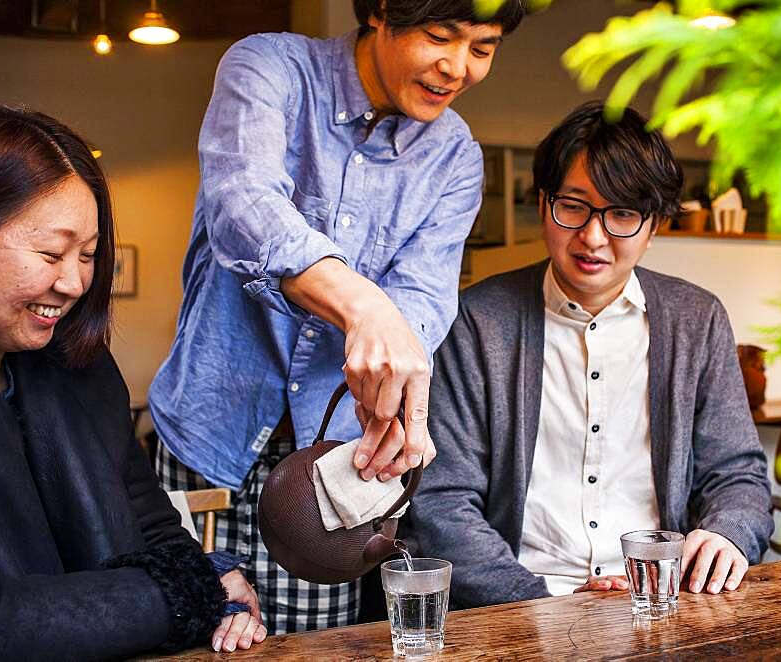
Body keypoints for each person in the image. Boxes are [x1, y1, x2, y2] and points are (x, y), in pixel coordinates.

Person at [148, 0, 527, 633]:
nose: (456, 67)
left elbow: (425, 299)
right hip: (206, 432)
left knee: (312, 648)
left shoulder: (455, 157)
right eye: (439, 37)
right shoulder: (269, 68)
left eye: (482, 49)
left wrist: (400, 389)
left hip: (330, 472)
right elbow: (242, 203)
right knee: (185, 630)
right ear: (381, 11)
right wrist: (363, 304)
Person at [405, 101, 774, 608]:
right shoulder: (476, 320)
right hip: (522, 607)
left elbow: (737, 473)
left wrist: (728, 533)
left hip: (660, 602)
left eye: (622, 213)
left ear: (655, 225)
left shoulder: (697, 318)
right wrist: (537, 603)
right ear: (542, 204)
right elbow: (442, 501)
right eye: (574, 206)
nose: (593, 237)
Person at [0, 104, 268, 659]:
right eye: (51, 253)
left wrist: (215, 580)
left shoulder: (80, 370)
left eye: (89, 255)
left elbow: (153, 527)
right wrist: (188, 593)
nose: (75, 282)